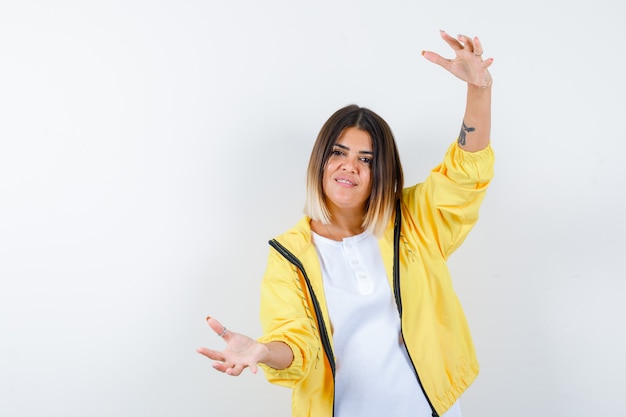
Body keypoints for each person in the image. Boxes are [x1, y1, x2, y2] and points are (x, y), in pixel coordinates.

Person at [197, 30, 495, 417]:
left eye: (366, 159)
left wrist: (479, 90)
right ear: (321, 161)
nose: (349, 166)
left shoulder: (414, 220)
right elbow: (296, 342)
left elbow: (464, 175)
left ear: (380, 171)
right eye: (339, 152)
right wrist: (264, 351)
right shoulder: (290, 255)